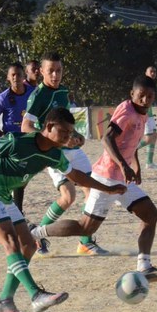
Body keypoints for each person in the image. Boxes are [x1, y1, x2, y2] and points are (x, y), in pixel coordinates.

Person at [0, 107, 126, 312]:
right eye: (64, 132)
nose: (67, 137)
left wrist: (108, 188)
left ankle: (4, 300)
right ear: (49, 127)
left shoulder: (54, 154)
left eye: (70, 133)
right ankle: (36, 294)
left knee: (29, 245)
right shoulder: (17, 142)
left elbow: (77, 176)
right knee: (10, 243)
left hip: (4, 197)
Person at [31, 75, 157, 283]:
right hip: (106, 178)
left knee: (150, 215)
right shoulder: (126, 110)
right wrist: (124, 165)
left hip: (122, 180)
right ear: (132, 94)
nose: (145, 100)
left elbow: (130, 145)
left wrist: (136, 166)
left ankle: (144, 266)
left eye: (149, 96)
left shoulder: (142, 114)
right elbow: (107, 139)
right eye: (141, 96)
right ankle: (35, 232)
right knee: (84, 228)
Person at [21, 52, 105, 256]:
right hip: (54, 152)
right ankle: (38, 235)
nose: (55, 74)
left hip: (73, 151)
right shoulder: (38, 96)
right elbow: (25, 126)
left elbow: (65, 121)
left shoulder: (63, 91)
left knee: (92, 191)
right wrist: (50, 140)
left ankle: (85, 242)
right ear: (41, 72)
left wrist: (76, 135)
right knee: (68, 196)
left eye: (58, 70)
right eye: (50, 71)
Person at [0, 62, 32, 212]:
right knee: (17, 177)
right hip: (11, 142)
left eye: (19, 74)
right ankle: (16, 210)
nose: (16, 77)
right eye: (12, 75)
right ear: (8, 78)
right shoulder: (3, 97)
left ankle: (15, 208)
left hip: (29, 140)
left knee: (22, 178)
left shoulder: (33, 93)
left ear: (23, 76)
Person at [137, 66, 157, 169]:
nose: (153, 73)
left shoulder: (150, 84)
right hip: (145, 113)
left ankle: (149, 163)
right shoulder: (144, 83)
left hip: (148, 113)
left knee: (153, 136)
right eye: (151, 71)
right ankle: (131, 150)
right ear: (146, 72)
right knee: (149, 138)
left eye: (154, 72)